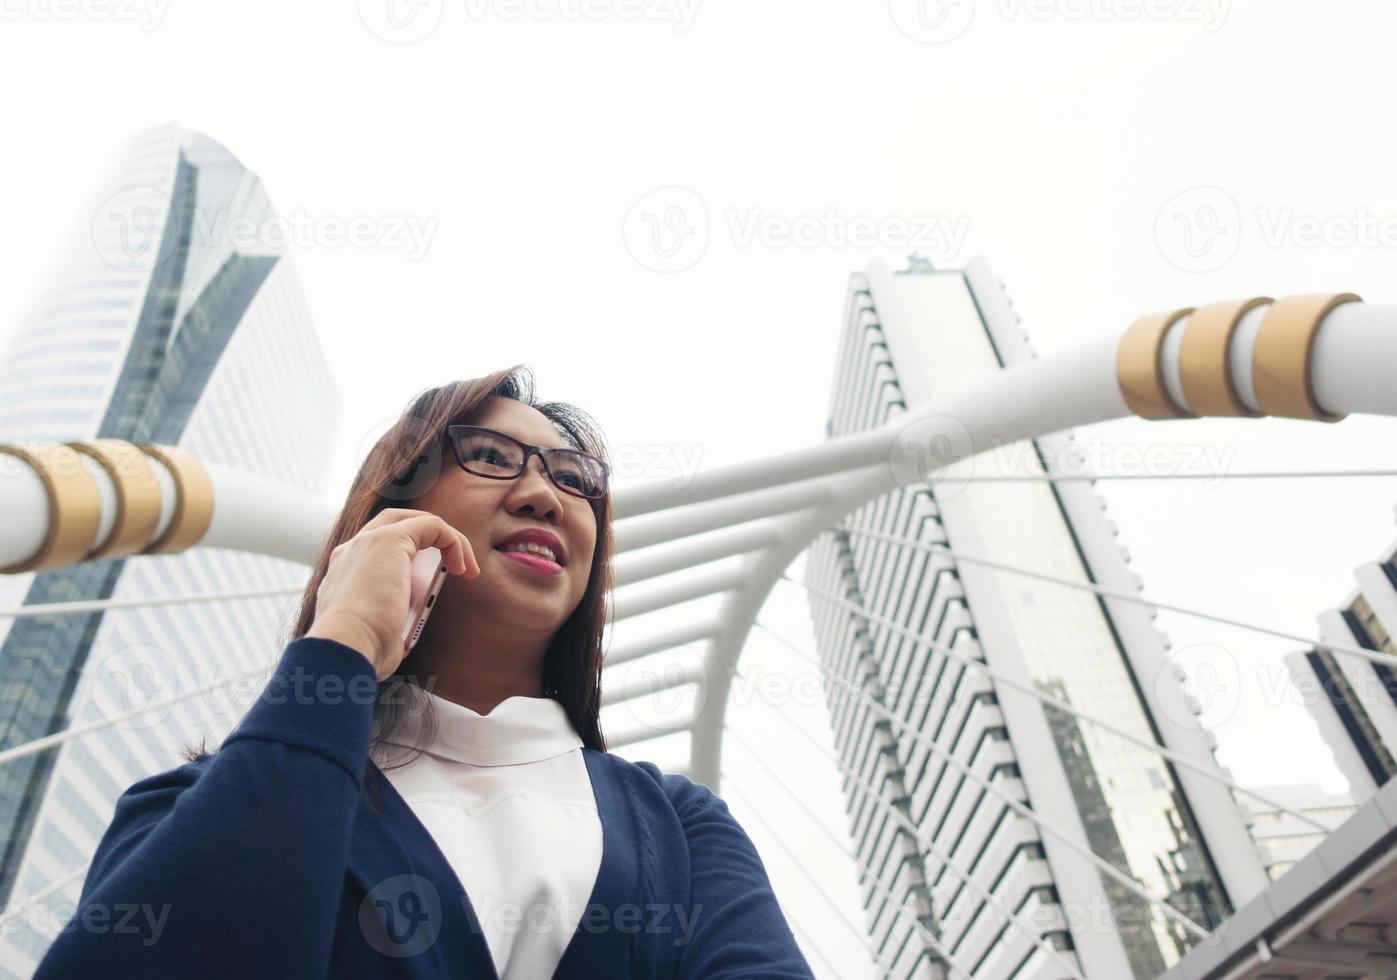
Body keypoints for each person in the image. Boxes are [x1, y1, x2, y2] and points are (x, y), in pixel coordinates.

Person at [33, 365, 815, 979]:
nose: (545, 493)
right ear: (391, 507)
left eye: (575, 477)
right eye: (488, 456)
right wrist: (343, 639)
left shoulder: (678, 826)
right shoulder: (193, 804)